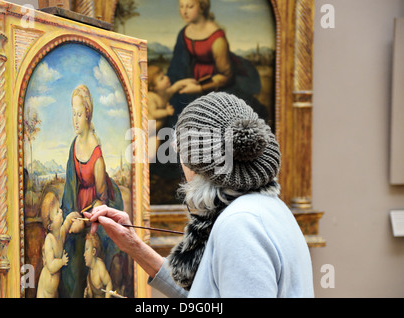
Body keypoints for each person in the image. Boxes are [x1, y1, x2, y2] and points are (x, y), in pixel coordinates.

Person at [85, 92, 314, 297]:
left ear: (198, 163)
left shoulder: (241, 225)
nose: (175, 151)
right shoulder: (264, 209)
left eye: (181, 146)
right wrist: (134, 245)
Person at [59, 84, 125, 298]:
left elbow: (101, 201)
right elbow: (70, 184)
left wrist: (85, 221)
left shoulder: (96, 154)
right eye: (72, 114)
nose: (74, 120)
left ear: (87, 113)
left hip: (93, 213)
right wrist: (70, 214)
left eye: (78, 114)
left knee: (87, 254)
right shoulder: (74, 144)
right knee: (68, 249)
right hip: (77, 208)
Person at [167, 0, 266, 126]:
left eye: (190, 6)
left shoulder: (217, 38)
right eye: (181, 7)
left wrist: (199, 88)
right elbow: (178, 64)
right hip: (193, 78)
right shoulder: (184, 32)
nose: (184, 12)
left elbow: (226, 75)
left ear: (202, 7)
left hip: (217, 82)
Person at [147, 65, 197, 161]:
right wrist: (166, 112)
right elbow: (154, 113)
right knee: (152, 147)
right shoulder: (151, 97)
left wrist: (189, 82)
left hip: (157, 128)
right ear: (153, 87)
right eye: (161, 79)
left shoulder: (164, 92)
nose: (166, 78)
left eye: (164, 75)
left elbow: (176, 86)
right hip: (151, 127)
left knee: (155, 147)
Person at [37, 192, 80, 298]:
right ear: (50, 226)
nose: (61, 211)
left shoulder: (60, 234)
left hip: (54, 291)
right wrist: (61, 262)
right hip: (45, 292)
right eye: (57, 212)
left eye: (59, 208)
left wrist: (72, 216)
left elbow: (65, 225)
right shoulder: (49, 240)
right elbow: (51, 266)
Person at [83, 233, 113, 298]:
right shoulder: (89, 274)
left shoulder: (100, 266)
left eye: (87, 249)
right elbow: (90, 295)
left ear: (93, 252)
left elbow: (109, 284)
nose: (84, 254)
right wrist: (86, 294)